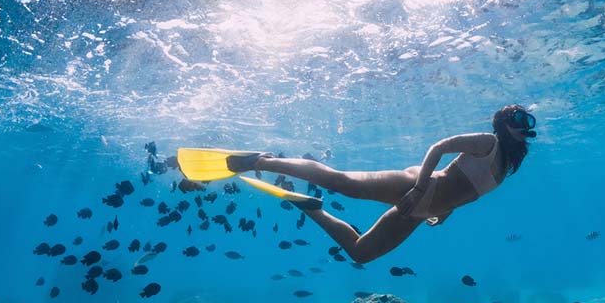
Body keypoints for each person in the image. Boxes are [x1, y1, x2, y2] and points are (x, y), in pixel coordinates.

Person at [226, 104, 535, 263]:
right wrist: (417, 188)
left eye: (527, 123)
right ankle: (259, 161)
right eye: (520, 121)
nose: (525, 127)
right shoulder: (487, 142)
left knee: (362, 254)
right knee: (341, 181)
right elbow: (439, 148)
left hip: (421, 211)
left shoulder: (507, 165)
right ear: (504, 126)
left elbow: (465, 189)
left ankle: (311, 208)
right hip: (417, 187)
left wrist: (447, 211)